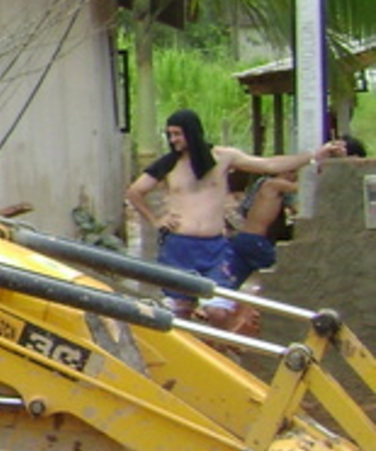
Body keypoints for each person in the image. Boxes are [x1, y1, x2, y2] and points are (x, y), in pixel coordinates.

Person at [125, 108, 345, 322]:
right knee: (180, 314)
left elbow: (269, 164)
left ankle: (222, 351)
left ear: (192, 132)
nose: (173, 140)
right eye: (169, 134)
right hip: (179, 247)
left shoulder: (224, 157)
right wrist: (156, 220)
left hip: (215, 247)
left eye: (177, 134)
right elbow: (135, 191)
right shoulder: (169, 164)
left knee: (217, 311)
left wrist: (314, 155)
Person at [227, 168, 298, 288]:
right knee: (285, 270)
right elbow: (304, 188)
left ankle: (219, 303)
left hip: (245, 238)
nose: (295, 176)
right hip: (255, 240)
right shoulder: (273, 184)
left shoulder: (273, 190)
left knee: (232, 281)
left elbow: (295, 208)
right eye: (292, 172)